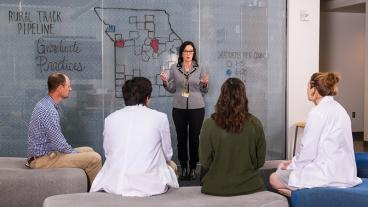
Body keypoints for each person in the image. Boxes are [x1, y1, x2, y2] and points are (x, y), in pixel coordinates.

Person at [269, 72, 362, 197]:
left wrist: (291, 166)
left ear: (315, 90)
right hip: (346, 173)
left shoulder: (318, 113)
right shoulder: (340, 109)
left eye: (308, 87)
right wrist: (293, 161)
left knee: (274, 178)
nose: (307, 90)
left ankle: (310, 199)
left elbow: (308, 152)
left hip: (327, 175)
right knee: (289, 168)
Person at [90, 77, 179, 197]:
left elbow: (108, 153)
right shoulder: (160, 117)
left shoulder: (110, 119)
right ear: (147, 98)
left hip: (115, 183)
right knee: (172, 165)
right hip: (150, 185)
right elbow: (168, 154)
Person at [26, 72, 102, 186]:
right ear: (60, 88)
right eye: (68, 86)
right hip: (42, 160)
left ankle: (85, 188)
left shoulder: (47, 103)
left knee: (88, 150)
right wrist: (73, 153)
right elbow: (59, 144)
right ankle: (99, 195)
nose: (70, 89)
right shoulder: (48, 110)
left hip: (47, 154)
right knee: (95, 158)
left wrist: (74, 152)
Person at [199, 78, 266, 196]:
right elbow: (260, 162)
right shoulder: (255, 123)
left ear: (222, 97)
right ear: (243, 97)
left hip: (216, 187)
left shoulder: (208, 125)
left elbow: (205, 162)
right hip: (252, 185)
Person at [160, 41, 209, 180]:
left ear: (194, 53)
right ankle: (184, 167)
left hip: (197, 108)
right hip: (179, 108)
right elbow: (173, 88)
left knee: (194, 139)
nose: (189, 54)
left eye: (191, 51)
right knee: (181, 139)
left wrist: (205, 84)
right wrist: (165, 83)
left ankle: (193, 167)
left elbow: (204, 90)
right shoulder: (175, 68)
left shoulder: (200, 68)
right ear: (181, 53)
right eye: (186, 51)